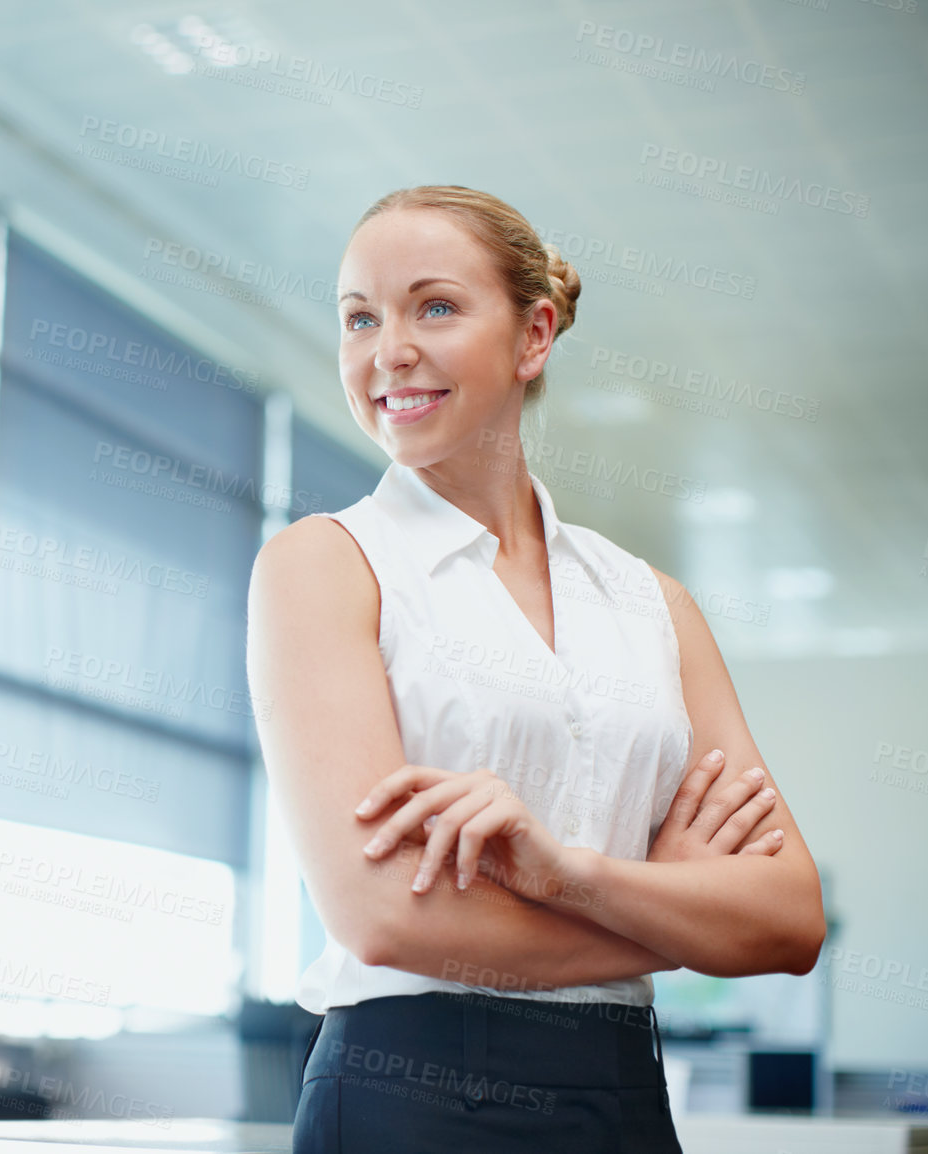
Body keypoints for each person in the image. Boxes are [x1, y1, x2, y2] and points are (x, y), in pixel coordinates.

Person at [245, 185, 825, 1152]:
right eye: (359, 317)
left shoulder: (654, 605)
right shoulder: (325, 565)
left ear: (534, 336)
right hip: (409, 1095)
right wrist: (674, 911)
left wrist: (569, 875)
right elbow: (381, 915)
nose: (389, 350)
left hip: (622, 1100)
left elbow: (790, 919)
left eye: (434, 306)